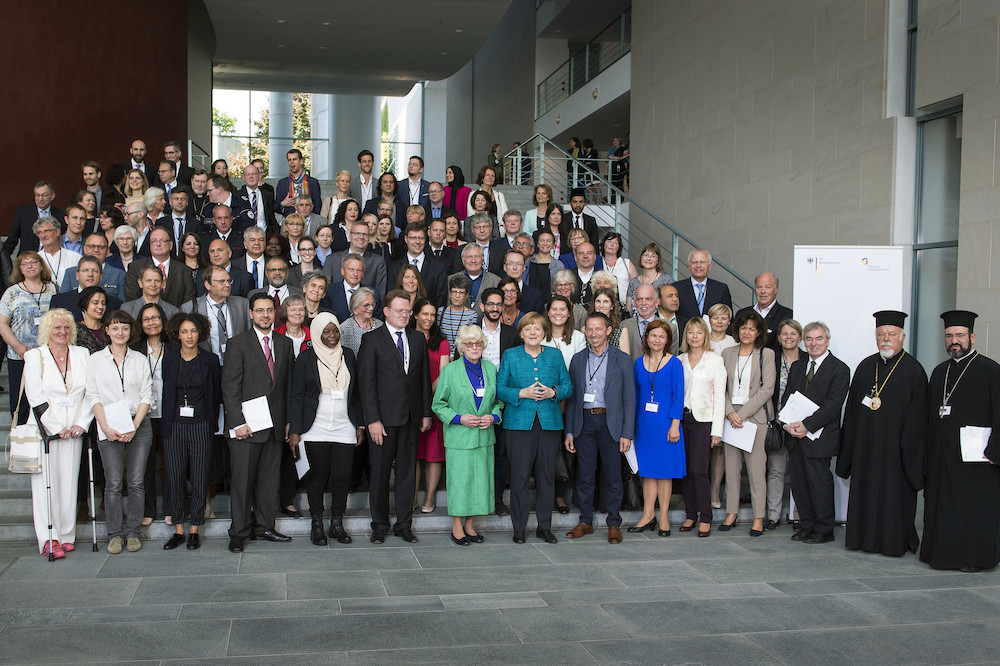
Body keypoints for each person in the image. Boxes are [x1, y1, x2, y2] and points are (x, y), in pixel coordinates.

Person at [838, 311, 927, 556]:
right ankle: (863, 539)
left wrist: (908, 455)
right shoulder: (866, 367)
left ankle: (893, 542)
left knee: (894, 498)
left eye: (892, 334)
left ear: (903, 337)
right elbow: (853, 412)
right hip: (866, 449)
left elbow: (918, 421)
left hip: (896, 453)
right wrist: (850, 451)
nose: (886, 339)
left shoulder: (914, 371)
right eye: (881, 334)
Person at [920, 310, 1000, 572]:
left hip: (977, 458)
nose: (954, 340)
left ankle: (972, 559)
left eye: (960, 335)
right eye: (949, 336)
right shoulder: (939, 371)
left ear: (972, 337)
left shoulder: (991, 371)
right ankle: (941, 556)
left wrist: (995, 449)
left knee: (972, 508)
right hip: (943, 455)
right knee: (943, 505)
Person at [222, 293, 295, 553]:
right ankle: (238, 532)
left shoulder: (285, 344)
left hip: (274, 427)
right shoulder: (237, 344)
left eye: (269, 310)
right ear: (250, 314)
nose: (265, 315)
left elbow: (286, 387)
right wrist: (237, 422)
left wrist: (287, 422)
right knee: (242, 483)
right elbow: (230, 388)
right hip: (246, 428)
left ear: (275, 313)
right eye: (259, 310)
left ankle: (264, 526)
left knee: (268, 481)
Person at [358, 290, 432, 544]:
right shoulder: (372, 340)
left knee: (407, 474)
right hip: (383, 421)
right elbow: (366, 384)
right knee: (379, 474)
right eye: (399, 310)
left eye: (408, 311)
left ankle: (404, 524)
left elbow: (422, 379)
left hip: (411, 419)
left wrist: (425, 413)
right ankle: (379, 524)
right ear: (386, 311)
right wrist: (372, 420)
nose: (404, 315)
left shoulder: (418, 338)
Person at [496, 312, 573, 544]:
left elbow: (568, 386)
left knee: (546, 477)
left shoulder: (555, 355)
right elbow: (499, 389)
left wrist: (554, 392)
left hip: (549, 424)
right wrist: (521, 393)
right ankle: (519, 528)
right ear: (521, 332)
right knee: (519, 478)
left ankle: (544, 527)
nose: (532, 332)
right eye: (528, 328)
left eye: (537, 328)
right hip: (518, 425)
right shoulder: (510, 355)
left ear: (544, 332)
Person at [289, 313, 363, 546]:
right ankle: (317, 524)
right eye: (326, 331)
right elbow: (296, 396)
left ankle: (337, 524)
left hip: (345, 426)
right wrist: (295, 430)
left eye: (335, 331)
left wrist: (359, 424)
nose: (332, 336)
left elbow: (357, 394)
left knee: (342, 476)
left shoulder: (349, 355)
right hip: (315, 427)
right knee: (318, 476)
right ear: (318, 333)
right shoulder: (305, 358)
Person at [23, 310, 93, 558]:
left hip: (74, 429)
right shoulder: (34, 356)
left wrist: (82, 423)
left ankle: (66, 534)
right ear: (47, 331)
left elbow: (90, 392)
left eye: (66, 327)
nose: (62, 332)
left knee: (69, 482)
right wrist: (56, 427)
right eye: (56, 328)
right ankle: (48, 538)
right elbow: (36, 397)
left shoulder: (82, 354)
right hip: (47, 430)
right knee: (45, 486)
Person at [563, 312, 636, 544]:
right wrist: (570, 431)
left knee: (613, 476)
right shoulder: (577, 359)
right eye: (590, 329)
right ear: (584, 331)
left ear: (608, 331)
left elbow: (629, 398)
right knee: (584, 475)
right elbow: (573, 399)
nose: (594, 334)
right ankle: (585, 521)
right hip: (584, 422)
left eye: (598, 329)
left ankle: (613, 523)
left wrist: (627, 432)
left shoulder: (622, 359)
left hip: (610, 423)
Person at [87, 310, 154, 553]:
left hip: (138, 424)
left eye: (124, 328)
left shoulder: (139, 358)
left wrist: (133, 426)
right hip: (108, 424)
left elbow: (148, 395)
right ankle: (114, 534)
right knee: (113, 483)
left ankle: (133, 532)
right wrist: (105, 427)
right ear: (107, 331)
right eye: (115, 328)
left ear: (130, 330)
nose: (120, 332)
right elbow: (92, 395)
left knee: (136, 481)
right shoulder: (95, 360)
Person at [432, 324, 502, 545]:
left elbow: (498, 402)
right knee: (460, 483)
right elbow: (438, 404)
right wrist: (459, 418)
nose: (474, 347)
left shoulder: (490, 369)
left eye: (478, 343)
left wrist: (493, 416)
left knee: (480, 483)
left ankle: (470, 525)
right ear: (461, 347)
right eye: (469, 344)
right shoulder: (450, 370)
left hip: (484, 436)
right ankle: (456, 527)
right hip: (459, 437)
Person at [782, 321, 849, 545]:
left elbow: (833, 405)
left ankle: (824, 529)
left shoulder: (839, 369)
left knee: (819, 484)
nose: (813, 343)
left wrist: (807, 425)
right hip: (795, 436)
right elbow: (788, 399)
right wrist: (787, 424)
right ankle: (807, 525)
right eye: (809, 339)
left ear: (827, 341)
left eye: (818, 339)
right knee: (799, 485)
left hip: (819, 438)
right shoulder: (798, 367)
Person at [159, 313, 221, 551]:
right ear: (177, 334)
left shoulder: (210, 360)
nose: (188, 336)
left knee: (199, 476)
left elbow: (215, 396)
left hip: (201, 424)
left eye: (193, 331)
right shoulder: (170, 359)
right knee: (174, 477)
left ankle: (195, 527)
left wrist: (211, 424)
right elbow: (166, 394)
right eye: (184, 331)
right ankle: (178, 529)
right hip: (174, 425)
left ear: (200, 333)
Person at [720, 310, 774, 537]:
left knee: (756, 471)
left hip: (755, 419)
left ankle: (758, 517)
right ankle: (731, 513)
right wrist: (731, 412)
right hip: (730, 418)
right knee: (731, 470)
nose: (747, 332)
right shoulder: (727, 353)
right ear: (737, 330)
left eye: (752, 328)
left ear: (759, 332)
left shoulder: (766, 354)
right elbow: (719, 386)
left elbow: (767, 389)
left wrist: (744, 413)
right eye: (743, 328)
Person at [630, 320, 685, 536]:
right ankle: (647, 515)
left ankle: (663, 517)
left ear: (667, 340)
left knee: (664, 473)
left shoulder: (674, 363)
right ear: (646, 338)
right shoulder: (637, 363)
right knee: (647, 472)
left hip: (666, 425)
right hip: (644, 425)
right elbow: (635, 396)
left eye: (662, 336)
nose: (657, 340)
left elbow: (678, 396)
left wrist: (675, 424)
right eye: (653, 336)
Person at [678, 317, 727, 537]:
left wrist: (717, 430)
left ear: (705, 335)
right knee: (685, 470)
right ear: (686, 335)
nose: (694, 336)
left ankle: (705, 516)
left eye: (699, 332)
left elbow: (720, 397)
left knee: (698, 469)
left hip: (703, 421)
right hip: (681, 419)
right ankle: (690, 514)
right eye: (690, 332)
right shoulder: (679, 360)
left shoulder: (715, 360)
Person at [0, 252, 57, 418]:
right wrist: (18, 348)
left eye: (34, 262)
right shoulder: (11, 293)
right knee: (20, 403)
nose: (30, 266)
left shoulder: (53, 288)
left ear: (41, 266)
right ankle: (20, 438)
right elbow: (2, 324)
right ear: (20, 269)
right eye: (25, 264)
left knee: (47, 399)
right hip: (20, 356)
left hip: (49, 355)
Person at [410, 299, 450, 513]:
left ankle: (430, 497)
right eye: (424, 314)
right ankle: (413, 496)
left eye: (432, 315)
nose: (429, 319)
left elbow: (443, 373)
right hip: (411, 404)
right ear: (415, 315)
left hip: (436, 402)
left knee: (433, 454)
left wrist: (426, 395)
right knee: (414, 453)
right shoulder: (406, 337)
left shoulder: (441, 342)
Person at [133, 303, 168, 526]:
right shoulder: (134, 349)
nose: (151, 322)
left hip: (169, 413)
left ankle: (170, 509)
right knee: (145, 465)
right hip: (143, 415)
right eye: (146, 319)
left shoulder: (173, 347)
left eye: (155, 318)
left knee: (170, 465)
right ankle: (148, 510)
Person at [766, 319, 803, 528]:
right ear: (779, 338)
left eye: (793, 333)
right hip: (777, 423)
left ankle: (798, 514)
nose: (789, 337)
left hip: (800, 424)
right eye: (784, 334)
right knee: (776, 470)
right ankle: (773, 515)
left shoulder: (808, 360)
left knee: (799, 471)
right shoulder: (772, 358)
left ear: (799, 336)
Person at [734, 272, 794, 351]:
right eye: (759, 287)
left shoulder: (787, 315)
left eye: (767, 287)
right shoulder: (742, 314)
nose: (763, 291)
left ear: (776, 289)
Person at [676, 249, 733, 321]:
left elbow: (729, 318)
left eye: (702, 262)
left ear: (709, 266)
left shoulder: (721, 289)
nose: (698, 265)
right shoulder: (677, 288)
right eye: (694, 262)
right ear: (689, 266)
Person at [276, 148, 322, 216]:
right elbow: (275, 207)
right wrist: (283, 204)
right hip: (289, 221)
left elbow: (318, 206)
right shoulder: (282, 183)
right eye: (289, 160)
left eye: (294, 159)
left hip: (308, 221)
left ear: (301, 161)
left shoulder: (313, 183)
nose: (292, 162)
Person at [437, 274, 477, 347]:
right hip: (443, 354)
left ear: (466, 295)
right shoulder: (440, 312)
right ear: (449, 293)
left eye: (461, 292)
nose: (457, 296)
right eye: (454, 291)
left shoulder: (471, 315)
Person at [590, 287, 630, 357]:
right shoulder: (586, 329)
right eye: (598, 301)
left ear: (612, 306)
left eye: (606, 301)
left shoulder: (621, 330)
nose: (601, 305)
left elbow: (625, 361)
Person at [600, 232, 637, 304]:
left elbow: (636, 286)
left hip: (624, 304)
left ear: (619, 247)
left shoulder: (626, 263)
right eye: (609, 241)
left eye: (615, 243)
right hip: (602, 304)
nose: (611, 245)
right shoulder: (598, 262)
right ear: (604, 244)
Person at [74, 286, 111, 354]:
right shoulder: (74, 331)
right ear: (84, 304)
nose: (100, 307)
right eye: (95, 303)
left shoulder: (109, 330)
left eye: (103, 303)